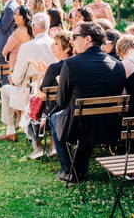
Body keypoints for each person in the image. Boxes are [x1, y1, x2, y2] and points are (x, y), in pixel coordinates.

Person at [48, 22, 125, 182]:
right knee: (85, 119)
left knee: (54, 118)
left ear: (88, 39)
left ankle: (68, 170)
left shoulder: (71, 64)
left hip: (78, 127)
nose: (73, 41)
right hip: (109, 127)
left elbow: (61, 102)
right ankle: (78, 169)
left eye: (75, 37)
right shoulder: (118, 65)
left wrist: (63, 82)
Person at [0, 13, 56, 144]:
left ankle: (10, 131)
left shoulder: (27, 46)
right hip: (54, 97)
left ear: (33, 27)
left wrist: (14, 77)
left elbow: (17, 79)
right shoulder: (56, 44)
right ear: (48, 26)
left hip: (30, 97)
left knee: (6, 89)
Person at [30, 31, 74, 158]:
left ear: (67, 49)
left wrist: (40, 73)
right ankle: (53, 145)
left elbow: (42, 95)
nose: (51, 47)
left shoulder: (54, 67)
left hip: (54, 111)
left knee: (34, 104)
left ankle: (38, 147)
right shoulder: (74, 65)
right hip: (72, 110)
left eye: (56, 44)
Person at [1, 5, 33, 70]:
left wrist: (5, 55)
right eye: (15, 14)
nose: (16, 17)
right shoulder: (31, 30)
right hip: (27, 62)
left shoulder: (19, 32)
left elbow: (6, 50)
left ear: (25, 17)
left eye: (19, 15)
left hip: (16, 62)